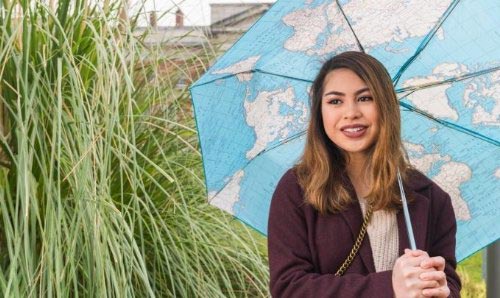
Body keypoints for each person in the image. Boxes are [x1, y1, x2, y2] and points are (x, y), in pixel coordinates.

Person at [267, 51, 461, 297]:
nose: (351, 113)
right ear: (320, 112)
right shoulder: (297, 189)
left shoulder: (432, 199)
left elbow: (450, 285)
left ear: (385, 106)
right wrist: (390, 286)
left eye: (365, 98)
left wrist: (441, 291)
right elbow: (288, 288)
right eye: (335, 101)